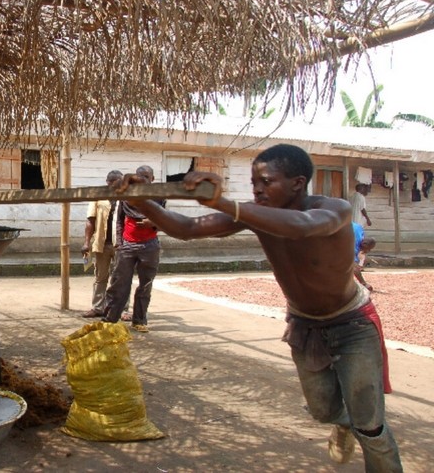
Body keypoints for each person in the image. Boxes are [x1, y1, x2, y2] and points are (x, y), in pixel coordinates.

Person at [118, 144, 401, 470]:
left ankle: (361, 429)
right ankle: (345, 422)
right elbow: (189, 228)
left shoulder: (333, 209)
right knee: (323, 410)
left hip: (352, 323)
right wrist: (141, 202)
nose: (257, 190)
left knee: (372, 425)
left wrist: (225, 203)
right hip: (305, 324)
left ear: (297, 182)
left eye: (266, 182)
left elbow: (302, 226)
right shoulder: (252, 214)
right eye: (254, 183)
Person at [102, 165, 163, 333]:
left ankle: (139, 320)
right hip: (127, 245)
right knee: (119, 284)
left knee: (145, 286)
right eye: (139, 176)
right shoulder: (126, 196)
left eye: (146, 176)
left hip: (149, 246)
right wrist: (120, 242)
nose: (142, 179)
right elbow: (120, 221)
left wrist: (153, 223)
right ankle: (110, 319)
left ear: (152, 179)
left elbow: (166, 221)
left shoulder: (159, 197)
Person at [80, 170, 131, 320]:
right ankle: (98, 307)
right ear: (109, 182)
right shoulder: (98, 197)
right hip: (101, 244)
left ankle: (123, 309)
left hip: (121, 244)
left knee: (122, 278)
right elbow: (90, 221)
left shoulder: (126, 197)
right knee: (100, 277)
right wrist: (86, 242)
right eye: (117, 182)